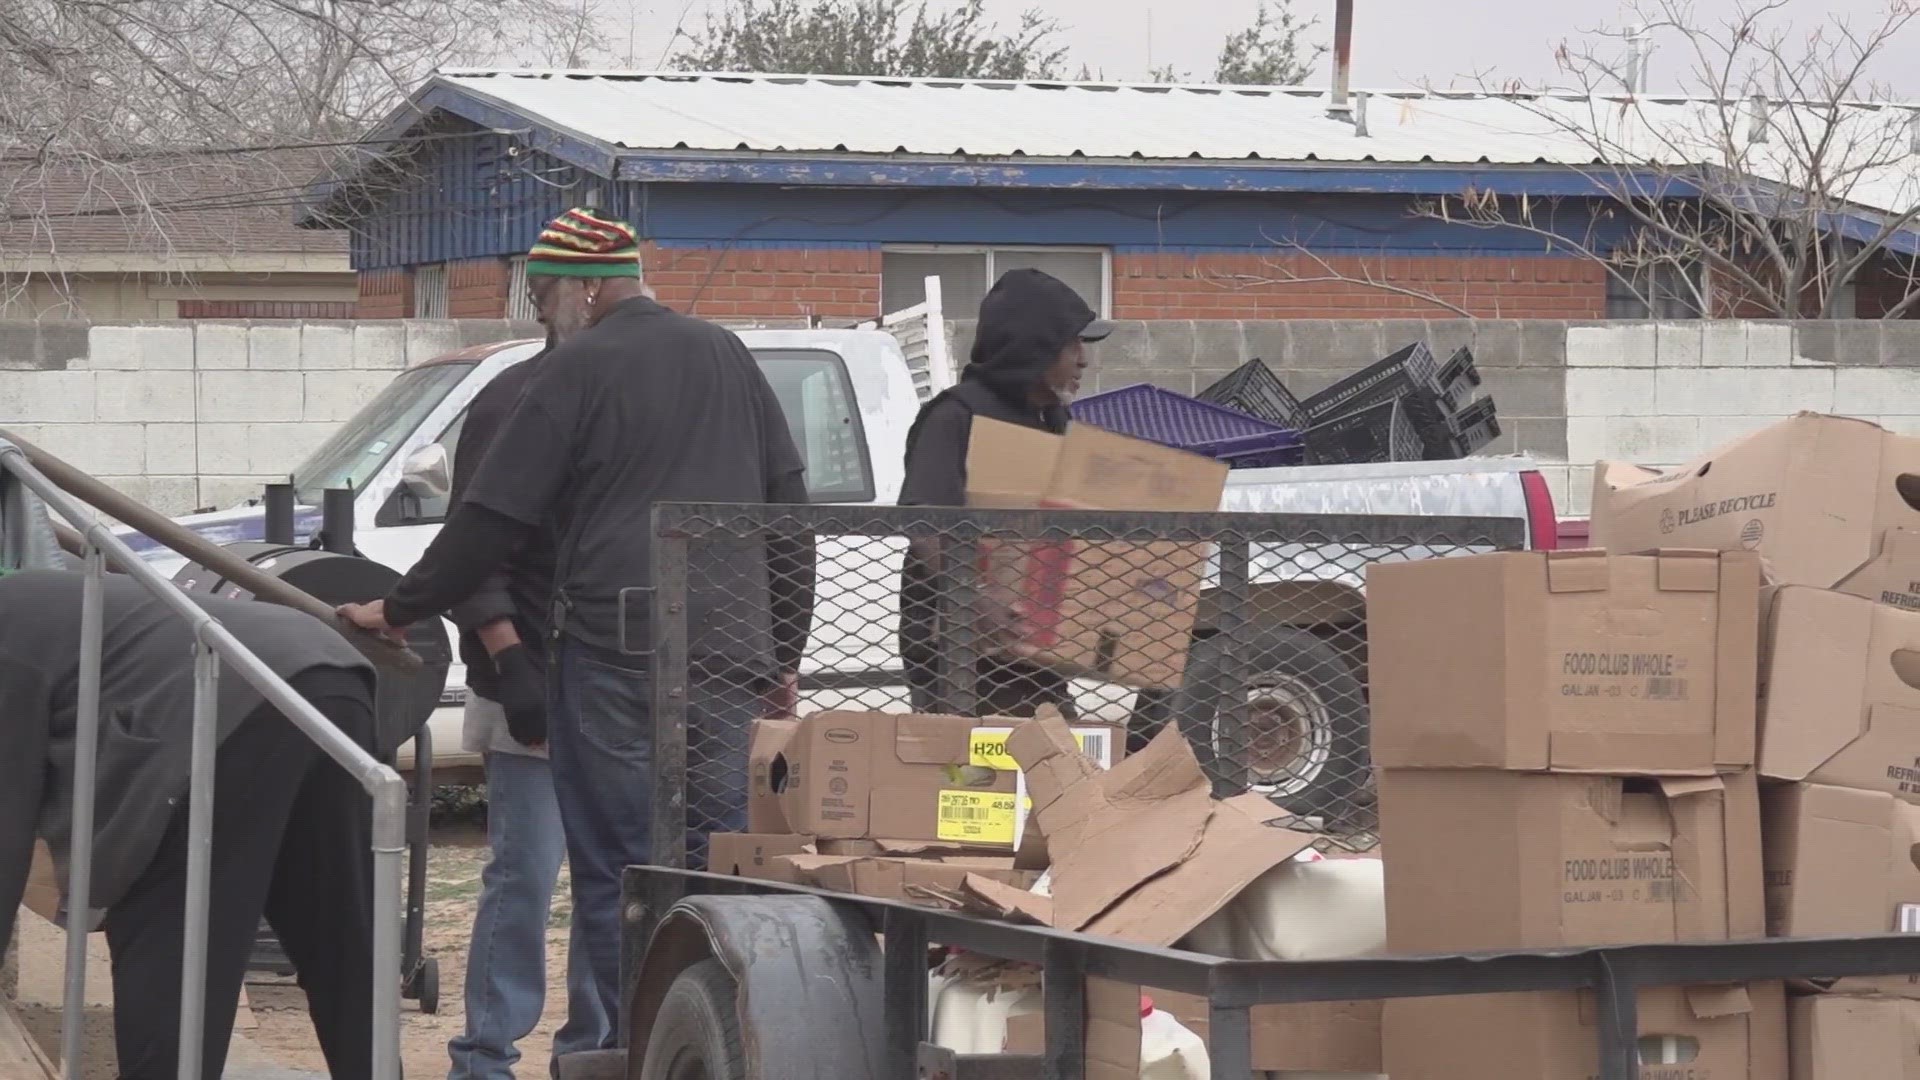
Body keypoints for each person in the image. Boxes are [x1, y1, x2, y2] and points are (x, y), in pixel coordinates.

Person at [338, 207, 816, 1060]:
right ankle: (719, 1051)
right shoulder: (727, 356)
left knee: (622, 879)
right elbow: (790, 512)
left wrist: (400, 608)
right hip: (730, 660)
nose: (543, 313)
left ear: (586, 286)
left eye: (547, 293)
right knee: (719, 865)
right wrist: (782, 651)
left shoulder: (578, 368)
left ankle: (636, 1056)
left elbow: (490, 517)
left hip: (612, 657)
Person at [0, 569, 383, 1080]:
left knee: (175, 939)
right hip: (325, 666)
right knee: (333, 929)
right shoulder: (34, 597)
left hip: (224, 692)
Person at [442, 328, 596, 1078]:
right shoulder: (510, 401)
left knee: (612, 880)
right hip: (529, 677)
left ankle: (596, 1053)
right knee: (525, 876)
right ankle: (484, 1056)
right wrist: (512, 663)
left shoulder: (626, 401)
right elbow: (470, 550)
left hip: (617, 690)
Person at [896, 268, 1109, 718]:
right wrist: (971, 595)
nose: (1083, 360)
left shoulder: (1053, 422)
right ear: (1035, 348)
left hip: (1034, 651)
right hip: (959, 653)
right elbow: (924, 523)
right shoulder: (956, 416)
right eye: (1072, 344)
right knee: (969, 776)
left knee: (1056, 768)